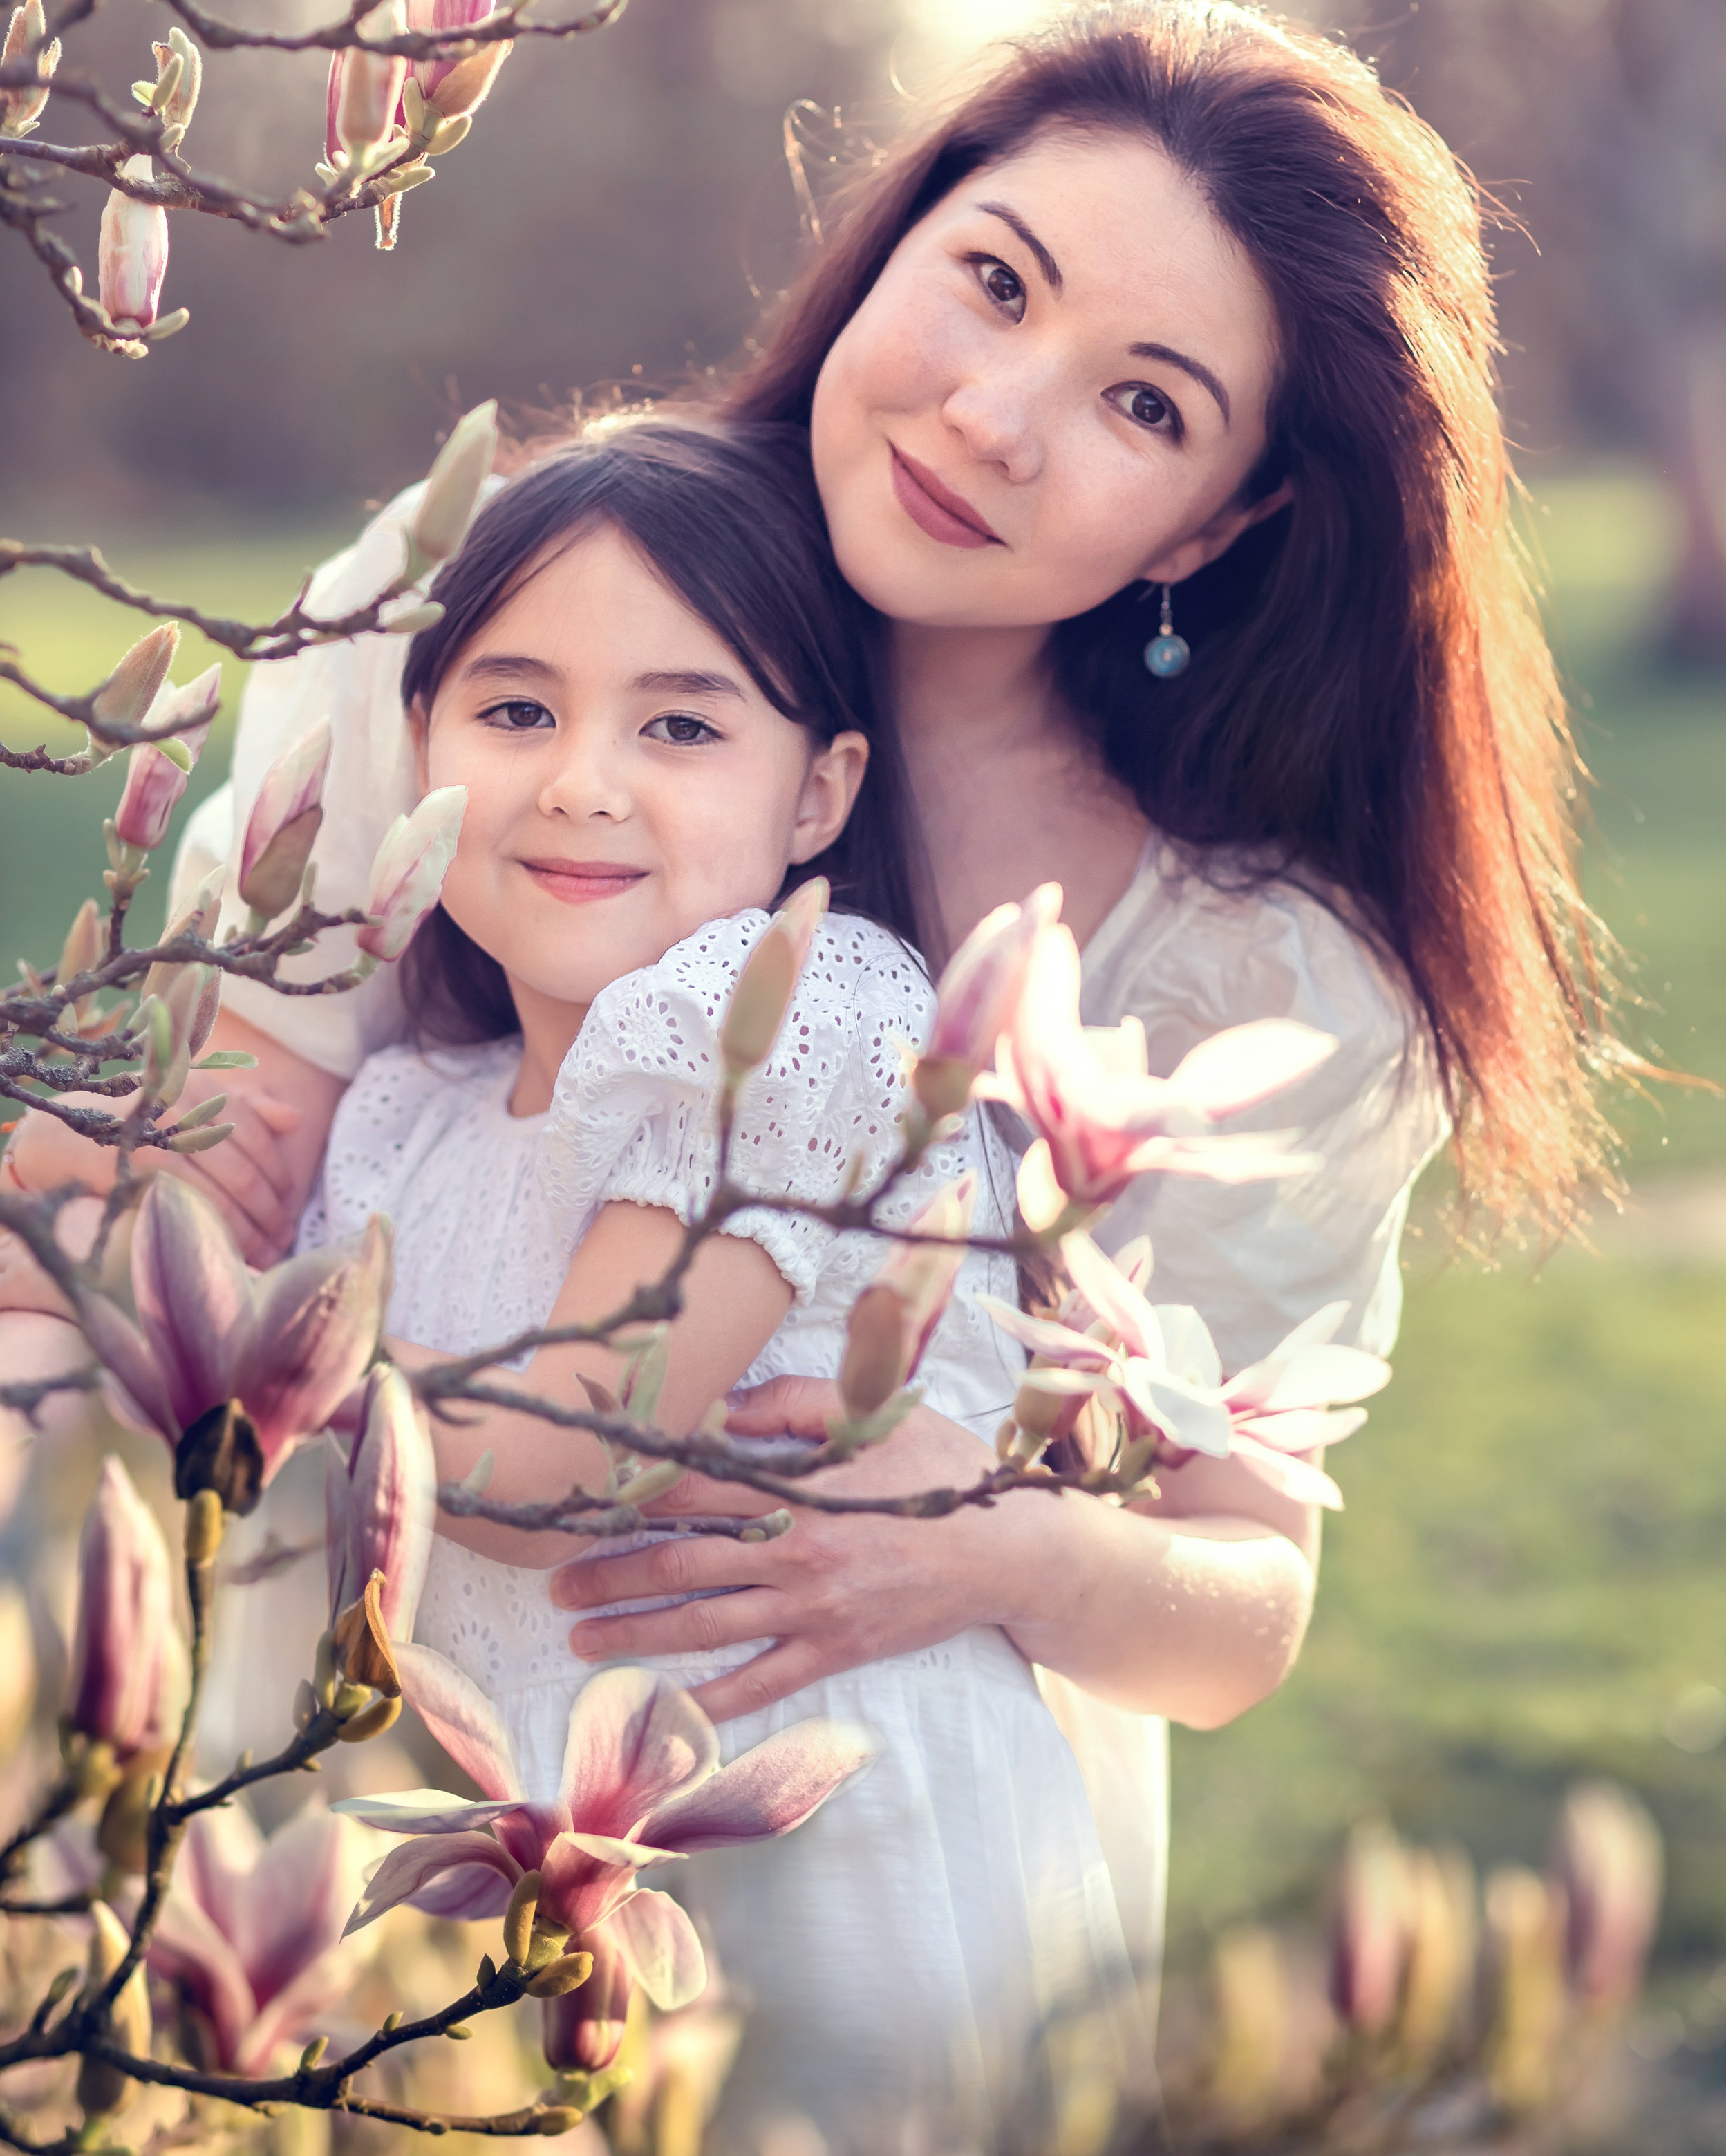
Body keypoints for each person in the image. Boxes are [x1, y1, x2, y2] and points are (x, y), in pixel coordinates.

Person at [5, 0, 1621, 2029]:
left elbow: (1242, 1602)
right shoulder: (476, 613)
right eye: (995, 283)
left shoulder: (1253, 978)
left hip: (862, 1862)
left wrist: (991, 1555)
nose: (996, 415)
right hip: (379, 1784)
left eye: (1146, 405)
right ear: (896, 244)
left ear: (1214, 524)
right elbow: (233, 1171)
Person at [293, 415, 1156, 2132]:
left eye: (678, 725)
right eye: (516, 708)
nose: (581, 779)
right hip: (547, 1902)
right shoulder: (398, 1120)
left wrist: (263, 1393)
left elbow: (569, 1458)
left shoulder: (815, 1016)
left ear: (818, 791)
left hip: (843, 1860)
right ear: (421, 747)